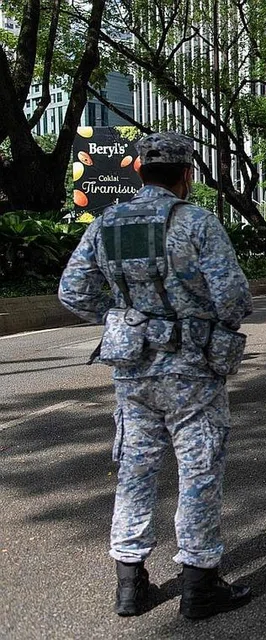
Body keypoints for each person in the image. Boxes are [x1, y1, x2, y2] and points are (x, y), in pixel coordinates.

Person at [58, 132, 253, 620]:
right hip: (192, 373)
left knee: (134, 472)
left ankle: (130, 584)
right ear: (186, 175)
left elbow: (73, 292)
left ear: (141, 171)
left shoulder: (106, 223)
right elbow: (234, 299)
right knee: (199, 472)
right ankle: (199, 587)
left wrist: (126, 317)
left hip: (133, 373)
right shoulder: (197, 222)